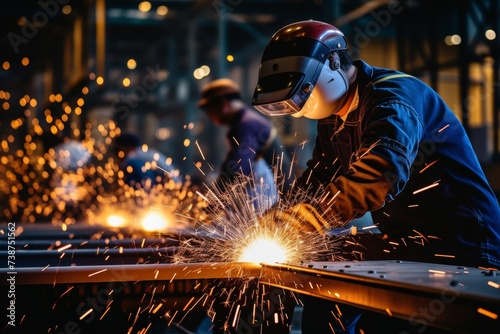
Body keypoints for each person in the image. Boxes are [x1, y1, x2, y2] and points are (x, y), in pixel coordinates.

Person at [252, 20, 500, 333]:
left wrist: (311, 219)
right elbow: (319, 177)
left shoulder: (392, 100)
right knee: (325, 268)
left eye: (303, 93)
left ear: (332, 63)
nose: (299, 111)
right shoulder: (334, 116)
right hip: (405, 240)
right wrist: (276, 220)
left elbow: (381, 174)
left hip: (462, 244)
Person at [198, 78, 293, 197]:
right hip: (273, 196)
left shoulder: (245, 126)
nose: (210, 116)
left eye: (210, 111)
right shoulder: (246, 121)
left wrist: (212, 199)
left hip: (275, 199)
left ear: (223, 104)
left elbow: (237, 170)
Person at [113, 132, 181, 188]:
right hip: (176, 185)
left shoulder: (132, 158)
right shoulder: (146, 153)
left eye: (118, 150)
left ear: (128, 147)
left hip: (170, 187)